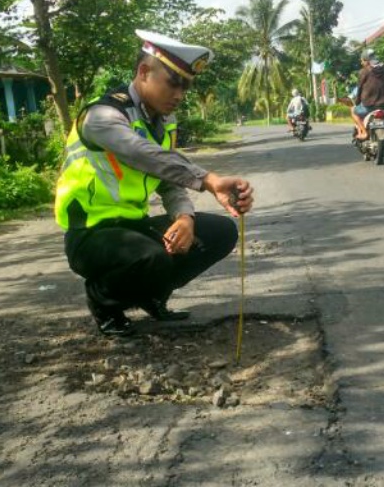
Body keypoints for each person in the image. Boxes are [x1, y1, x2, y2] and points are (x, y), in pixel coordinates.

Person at [54, 30, 255, 337]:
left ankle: (150, 296)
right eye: (173, 83)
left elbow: (169, 180)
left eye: (185, 87)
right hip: (90, 236)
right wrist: (208, 180)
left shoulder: (162, 122)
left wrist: (185, 218)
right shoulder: (102, 116)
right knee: (151, 257)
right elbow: (143, 154)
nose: (179, 95)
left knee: (219, 232)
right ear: (144, 72)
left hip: (132, 227)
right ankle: (103, 300)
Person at [352, 48, 384, 142]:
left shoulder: (364, 72)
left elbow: (360, 88)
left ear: (367, 61)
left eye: (362, 61)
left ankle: (364, 132)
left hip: (369, 106)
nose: (361, 63)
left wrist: (357, 102)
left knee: (354, 111)